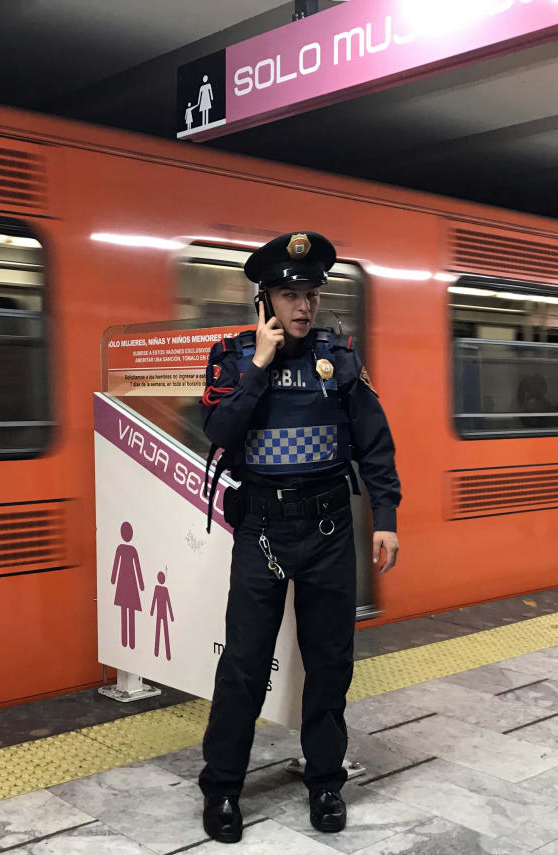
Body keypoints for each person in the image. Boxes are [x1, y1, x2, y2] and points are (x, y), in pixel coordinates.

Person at [197, 231, 402, 843]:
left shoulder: (339, 361)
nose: (303, 306)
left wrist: (386, 518)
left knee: (330, 661)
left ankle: (326, 783)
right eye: (290, 294)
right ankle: (223, 790)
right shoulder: (232, 358)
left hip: (330, 526)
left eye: (310, 293)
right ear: (265, 301)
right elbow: (221, 430)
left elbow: (375, 444)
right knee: (242, 665)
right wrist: (258, 367)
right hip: (261, 526)